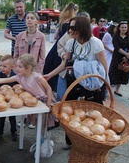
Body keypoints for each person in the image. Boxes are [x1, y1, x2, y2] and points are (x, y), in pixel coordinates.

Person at [44, 16, 108, 150]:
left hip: (92, 83)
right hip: (74, 82)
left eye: (73, 27)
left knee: (93, 112)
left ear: (82, 28)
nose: (70, 31)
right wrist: (49, 75)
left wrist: (104, 86)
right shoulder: (71, 43)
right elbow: (64, 64)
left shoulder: (95, 43)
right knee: (70, 111)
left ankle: (92, 142)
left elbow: (103, 66)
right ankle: (70, 140)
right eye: (69, 27)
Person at [0, 54, 55, 129]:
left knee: (47, 125)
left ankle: (46, 142)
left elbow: (48, 89)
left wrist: (48, 104)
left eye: (20, 66)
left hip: (45, 102)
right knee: (39, 125)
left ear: (29, 67)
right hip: (35, 102)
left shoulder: (37, 77)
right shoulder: (19, 77)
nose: (17, 69)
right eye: (17, 66)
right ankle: (42, 141)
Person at [14, 12, 46, 129]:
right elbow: (15, 54)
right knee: (23, 94)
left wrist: (39, 71)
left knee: (35, 95)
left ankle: (33, 119)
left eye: (32, 18)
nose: (29, 20)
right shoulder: (20, 36)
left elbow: (42, 57)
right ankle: (24, 118)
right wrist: (17, 68)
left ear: (37, 21)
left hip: (34, 71)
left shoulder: (41, 36)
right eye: (27, 18)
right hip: (22, 71)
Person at [43, 3, 78, 92]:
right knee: (61, 68)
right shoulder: (72, 22)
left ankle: (51, 86)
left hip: (58, 45)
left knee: (53, 66)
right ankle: (56, 88)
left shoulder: (63, 20)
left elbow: (56, 36)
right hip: (66, 45)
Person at [0, 55, 18, 144]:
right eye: (1, 66)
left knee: (12, 117)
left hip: (12, 100)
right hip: (2, 100)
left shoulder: (15, 76)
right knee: (1, 118)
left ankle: (14, 132)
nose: (2, 68)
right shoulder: (0, 74)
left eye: (4, 66)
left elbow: (18, 87)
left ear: (12, 66)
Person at [109, 21, 129, 97]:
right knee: (113, 73)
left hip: (126, 57)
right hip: (117, 57)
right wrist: (126, 54)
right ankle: (108, 89)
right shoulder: (115, 36)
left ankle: (117, 90)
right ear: (119, 28)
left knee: (122, 73)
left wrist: (128, 55)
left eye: (125, 27)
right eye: (122, 27)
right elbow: (117, 47)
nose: (124, 29)